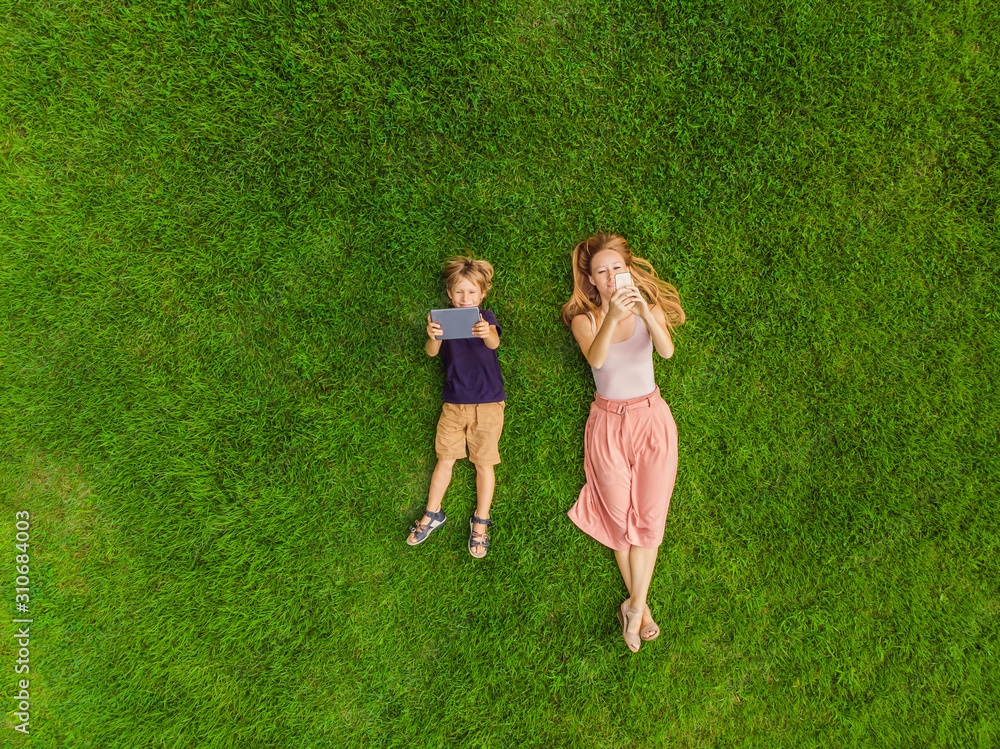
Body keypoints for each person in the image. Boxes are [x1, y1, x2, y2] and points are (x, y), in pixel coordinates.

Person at [561, 234, 685, 652]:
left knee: (649, 519)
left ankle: (635, 607)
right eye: (602, 272)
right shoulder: (586, 319)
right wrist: (611, 316)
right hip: (608, 425)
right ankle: (639, 608)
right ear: (591, 281)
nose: (612, 276)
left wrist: (645, 315)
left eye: (618, 268)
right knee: (620, 521)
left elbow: (665, 352)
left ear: (628, 272)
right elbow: (596, 360)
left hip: (651, 420)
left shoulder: (649, 309)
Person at [406, 256, 506, 559]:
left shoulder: (485, 317)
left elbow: (494, 344)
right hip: (454, 403)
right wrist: (433, 336)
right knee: (445, 458)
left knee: (484, 462)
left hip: (488, 402)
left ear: (482, 294)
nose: (466, 299)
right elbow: (431, 352)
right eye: (460, 293)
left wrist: (485, 330)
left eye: (472, 293)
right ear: (450, 294)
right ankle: (433, 512)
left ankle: (481, 520)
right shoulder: (445, 321)